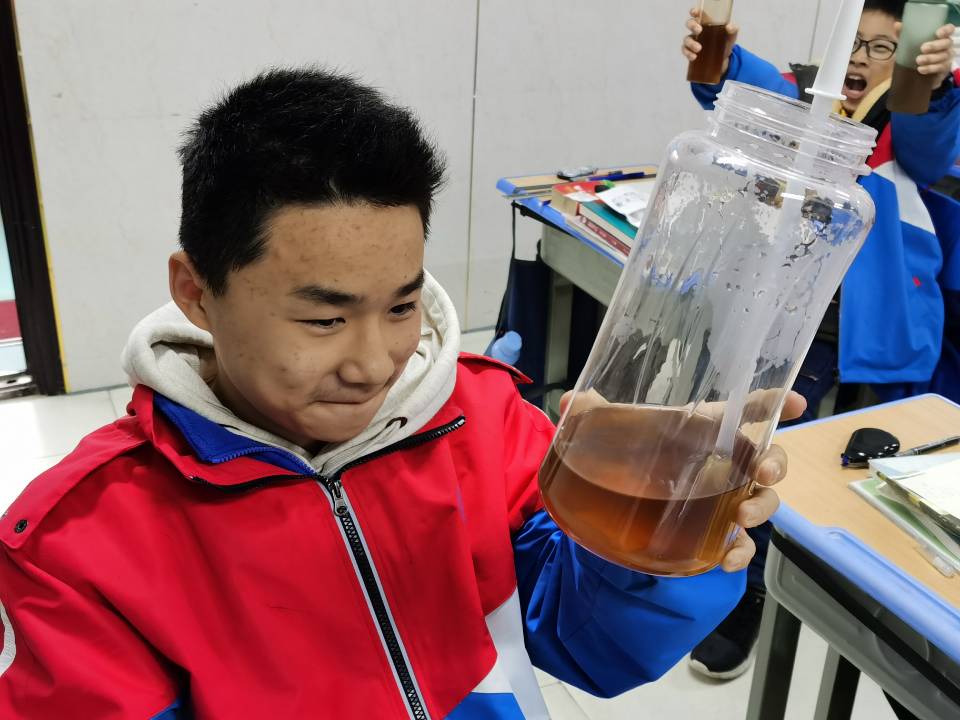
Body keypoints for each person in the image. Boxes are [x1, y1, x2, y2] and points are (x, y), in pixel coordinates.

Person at [0, 68, 804, 718]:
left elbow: (591, 646)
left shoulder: (481, 420)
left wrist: (653, 539)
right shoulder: (77, 548)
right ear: (196, 291)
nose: (374, 363)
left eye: (401, 306)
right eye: (324, 319)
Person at [680, 0, 960, 689]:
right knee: (739, 450)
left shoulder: (906, 131)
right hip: (775, 318)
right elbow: (749, 87)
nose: (863, 58)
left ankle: (765, 592)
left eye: (886, 48)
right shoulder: (810, 104)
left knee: (802, 469)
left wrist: (932, 82)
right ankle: (730, 584)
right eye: (856, 43)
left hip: (856, 340)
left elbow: (926, 134)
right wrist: (719, 59)